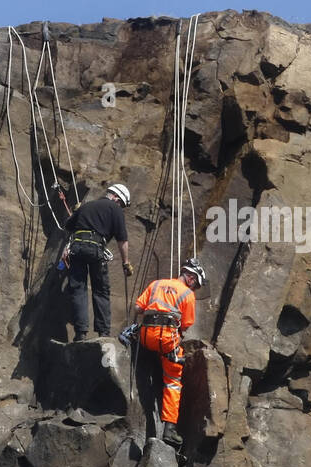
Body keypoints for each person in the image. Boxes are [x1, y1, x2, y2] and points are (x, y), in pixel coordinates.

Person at [133, 259, 206, 448]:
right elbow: (187, 324)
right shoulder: (187, 294)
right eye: (196, 284)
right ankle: (170, 430)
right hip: (165, 339)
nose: (195, 288)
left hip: (145, 335)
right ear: (190, 277)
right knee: (173, 380)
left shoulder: (156, 283)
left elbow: (138, 308)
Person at [62, 184, 133, 340]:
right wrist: (125, 262)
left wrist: (77, 212)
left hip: (77, 248)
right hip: (95, 249)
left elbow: (68, 225)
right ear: (116, 197)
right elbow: (122, 240)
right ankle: (103, 333)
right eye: (120, 202)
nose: (120, 206)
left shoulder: (86, 206)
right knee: (100, 290)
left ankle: (80, 333)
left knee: (78, 289)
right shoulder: (115, 210)